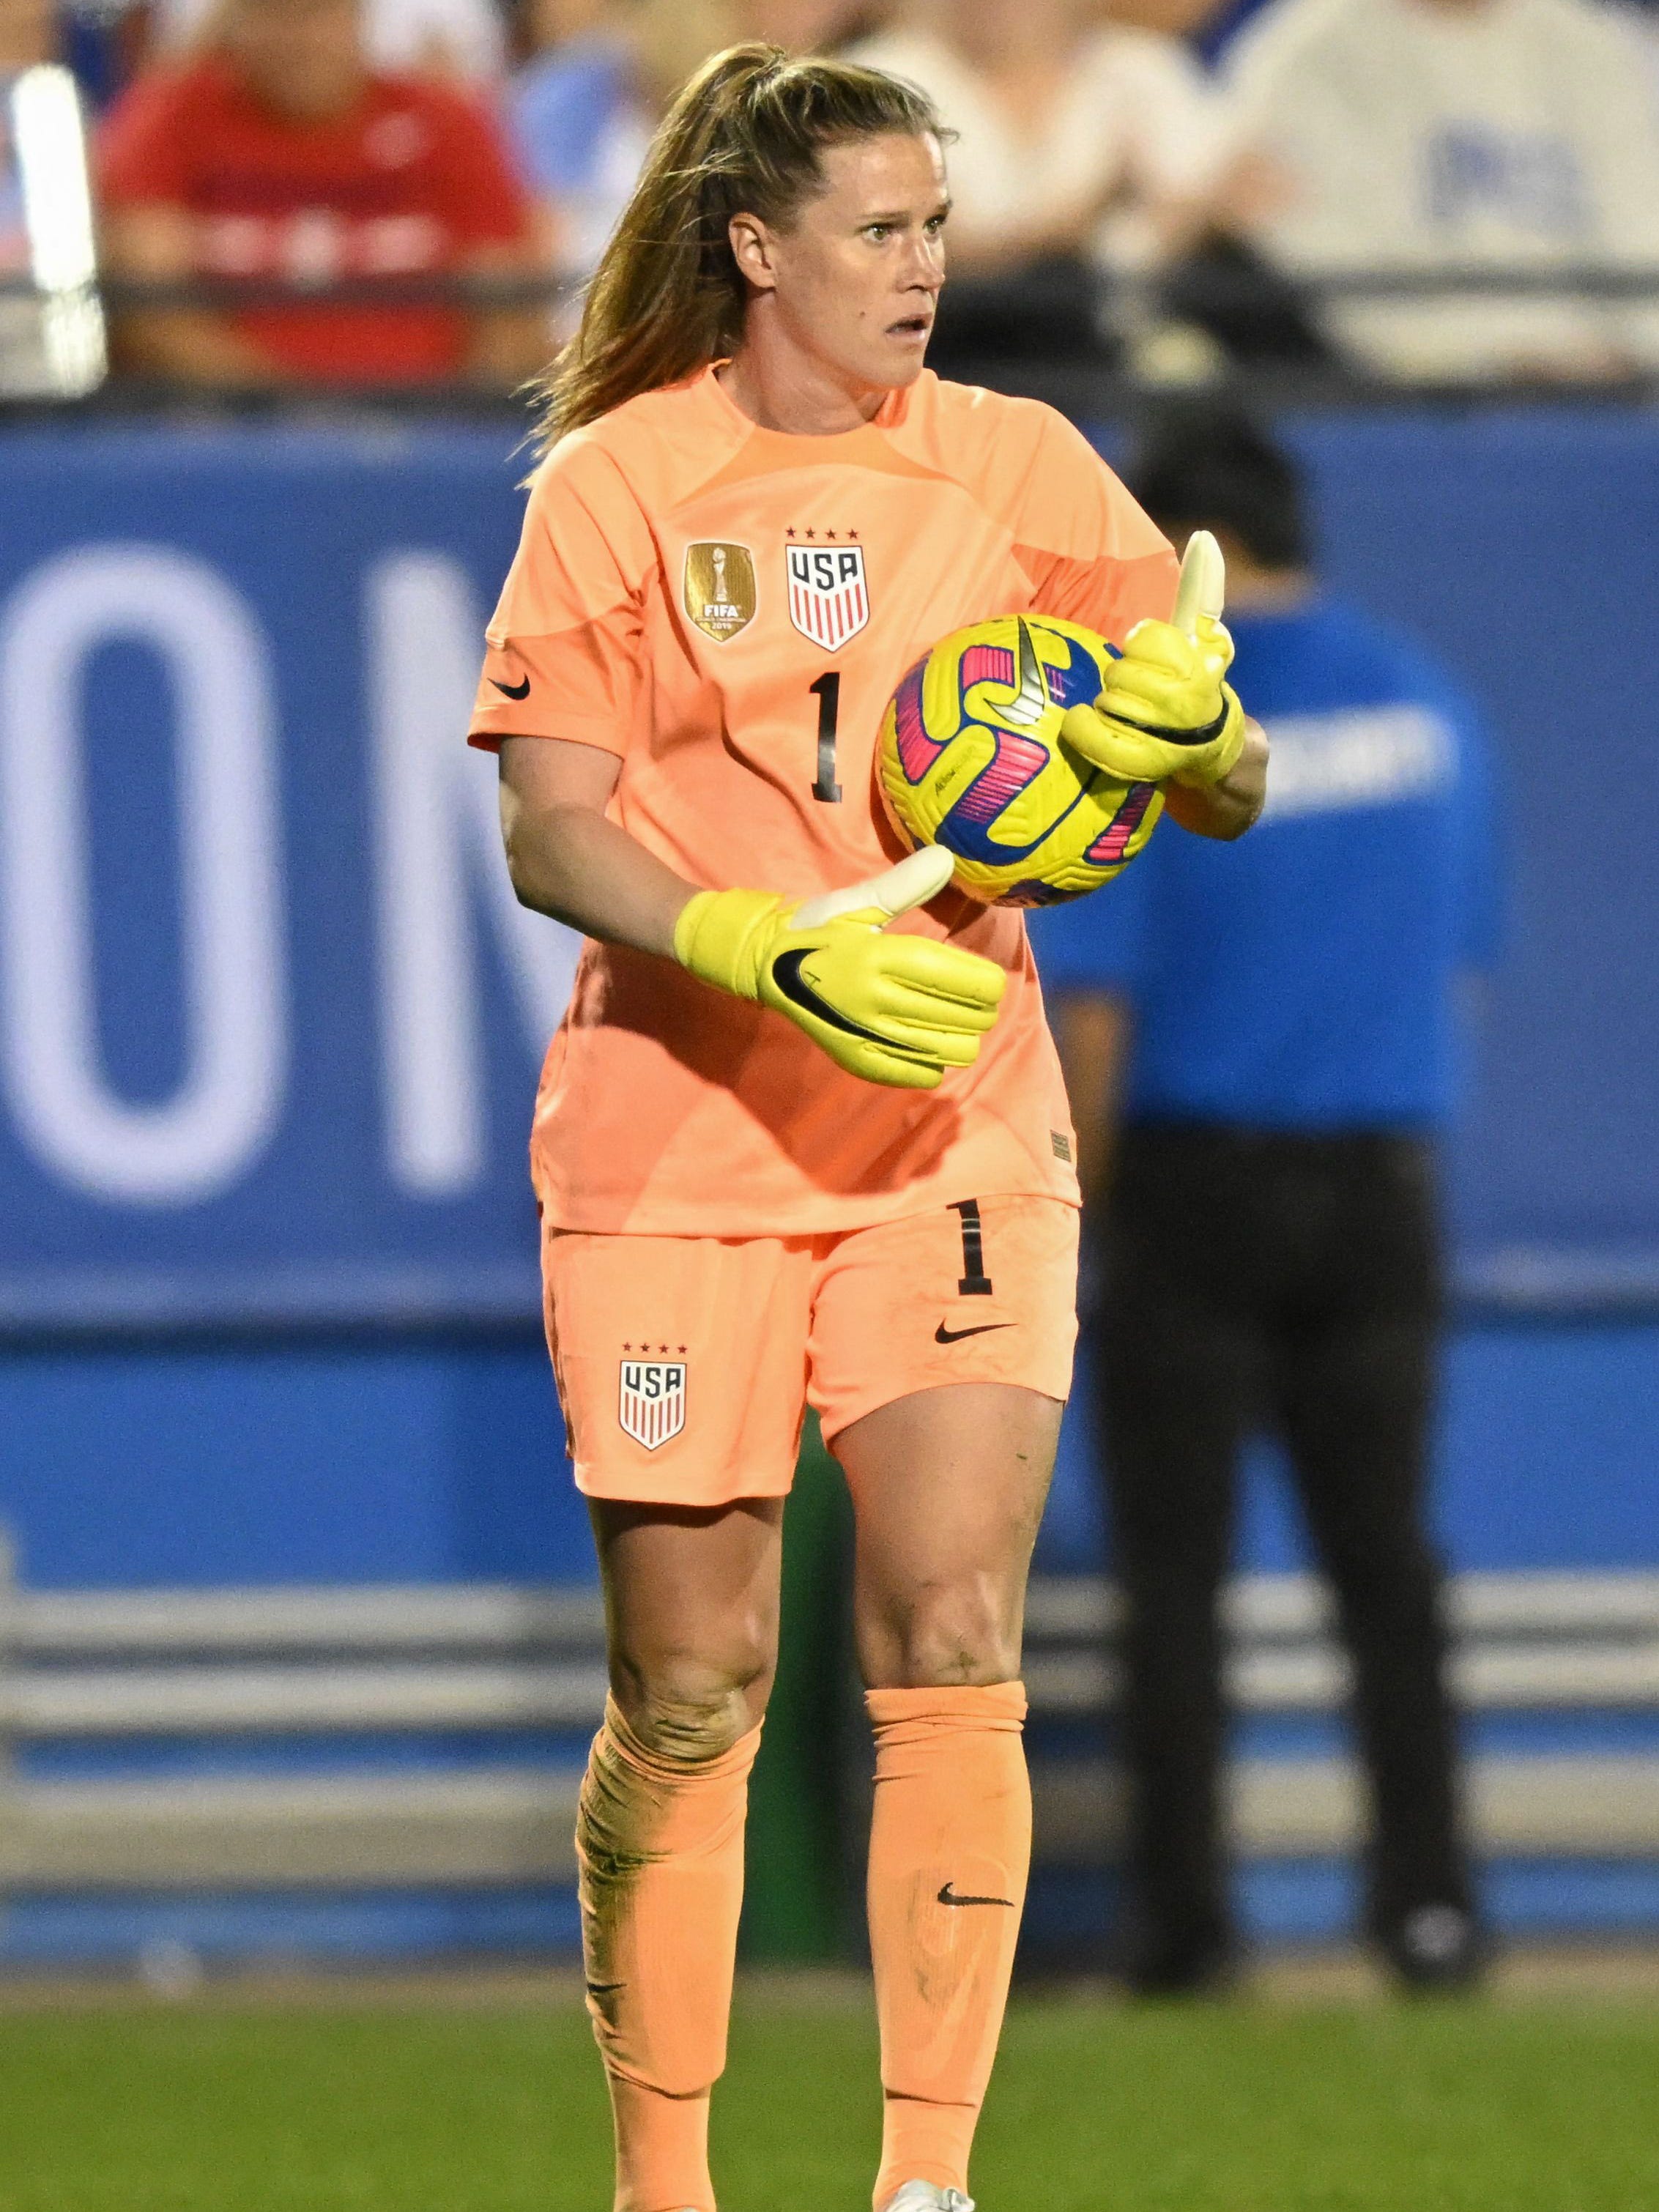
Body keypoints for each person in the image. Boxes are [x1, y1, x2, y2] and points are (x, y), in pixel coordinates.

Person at [470, 44, 1266, 2212]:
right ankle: (666, 2182)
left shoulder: (1017, 462)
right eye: (880, 229)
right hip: (670, 1147)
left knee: (947, 1635)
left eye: (934, 224)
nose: (926, 265)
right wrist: (753, 936)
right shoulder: (619, 486)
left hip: (948, 1130)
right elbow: (549, 833)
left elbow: (1214, 770)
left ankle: (926, 2182)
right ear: (754, 243)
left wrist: (1193, 735)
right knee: (697, 1681)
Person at [1031, 403, 1499, 1995]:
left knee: (1177, 1582)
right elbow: (1459, 979)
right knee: (1386, 1570)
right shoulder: (1433, 709)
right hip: (1380, 1180)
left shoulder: (1158, 728)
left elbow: (1094, 1012)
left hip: (1193, 1182)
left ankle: (1186, 1924)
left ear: (1181, 561)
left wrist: (1071, 1212)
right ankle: (1428, 1911)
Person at [98, 0, 542, 390]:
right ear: (235, 19)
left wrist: (450, 431)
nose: (301, 38)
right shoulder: (170, 119)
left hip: (423, 433)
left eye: (320, 11)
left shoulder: (448, 122)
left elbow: (504, 311)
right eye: (275, 13)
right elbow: (152, 308)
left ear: (360, 16)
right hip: (220, 433)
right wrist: (289, 411)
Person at [1216, 0, 1659, 382]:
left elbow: (1643, 239)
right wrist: (1496, 358)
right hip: (1408, 410)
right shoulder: (1302, 52)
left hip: (1618, 398)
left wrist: (1628, 356)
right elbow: (1335, 271)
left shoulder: (1601, 48)